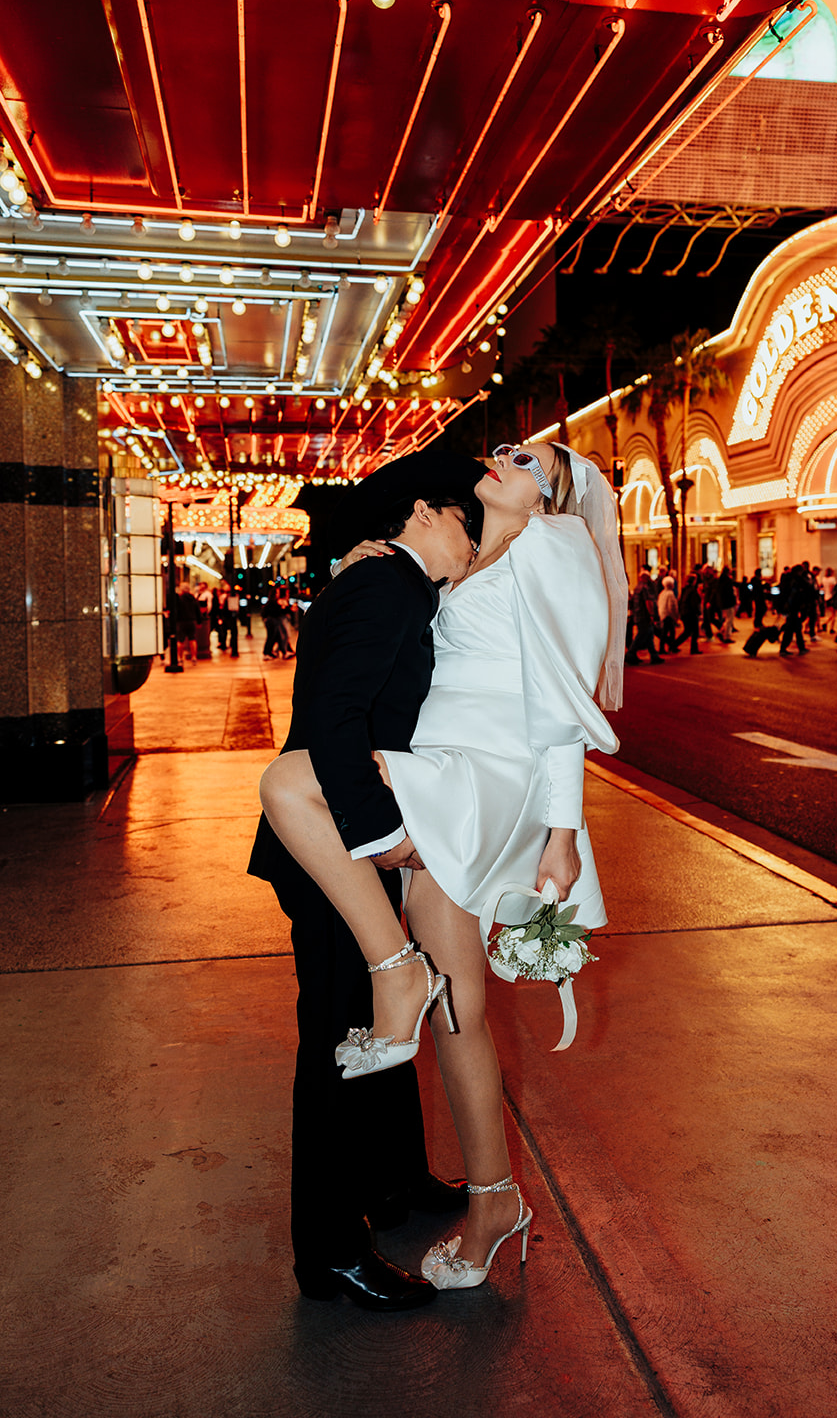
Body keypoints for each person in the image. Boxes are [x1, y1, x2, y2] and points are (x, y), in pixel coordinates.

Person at [258, 442, 626, 1294]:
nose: (501, 457)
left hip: (484, 774)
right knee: (461, 1011)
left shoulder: (554, 547)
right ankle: (496, 1199)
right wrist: (365, 559)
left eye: (526, 459)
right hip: (437, 772)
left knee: (289, 780)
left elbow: (563, 708)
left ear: (550, 497)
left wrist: (563, 837)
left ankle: (393, 973)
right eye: (502, 449)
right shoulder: (452, 563)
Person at [249, 452, 484, 1311]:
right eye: (464, 519)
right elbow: (332, 725)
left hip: (349, 839)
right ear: (421, 513)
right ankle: (329, 1251)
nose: (472, 537)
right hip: (331, 847)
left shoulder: (396, 584)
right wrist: (382, 835)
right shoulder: (385, 586)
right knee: (339, 1042)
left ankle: (393, 1185)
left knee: (384, 1020)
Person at [657, 575, 680, 653]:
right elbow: (672, 606)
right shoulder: (670, 594)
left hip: (663, 614)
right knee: (671, 632)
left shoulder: (662, 593)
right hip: (669, 615)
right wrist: (676, 615)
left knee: (665, 632)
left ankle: (666, 647)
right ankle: (671, 647)